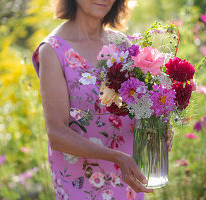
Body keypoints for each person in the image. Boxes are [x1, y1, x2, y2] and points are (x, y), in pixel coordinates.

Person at [31, 0, 174, 199]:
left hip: (126, 181)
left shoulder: (122, 44)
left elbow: (138, 108)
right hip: (79, 185)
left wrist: (157, 126)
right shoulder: (53, 50)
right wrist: (117, 157)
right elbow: (57, 134)